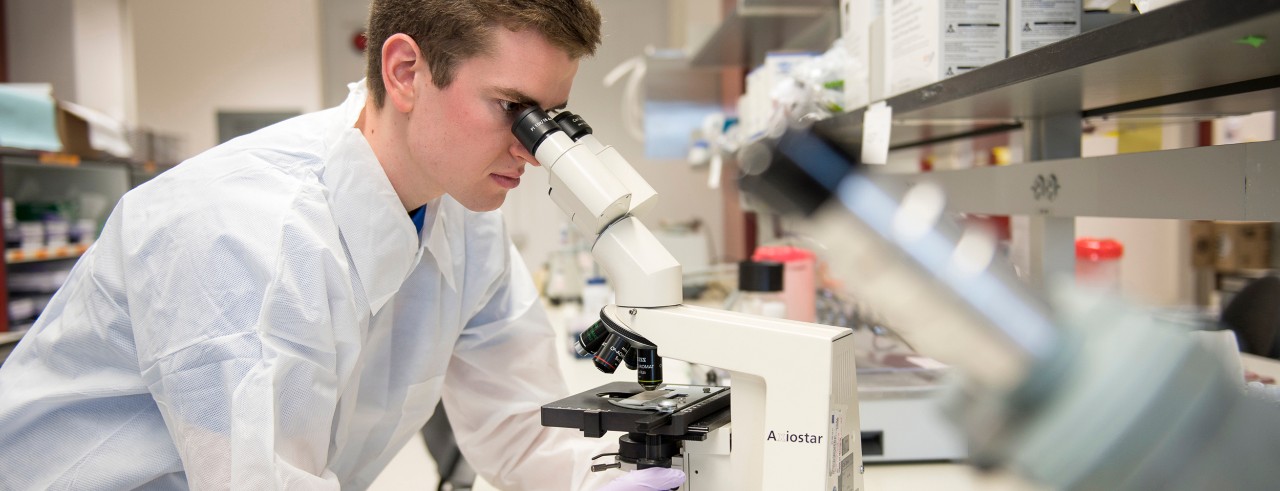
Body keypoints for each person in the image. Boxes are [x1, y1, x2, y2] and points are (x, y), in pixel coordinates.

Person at [0, 1, 685, 490]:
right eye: (513, 109)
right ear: (406, 71)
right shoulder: (250, 236)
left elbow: (522, 430)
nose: (534, 151)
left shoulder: (467, 221)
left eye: (550, 118)